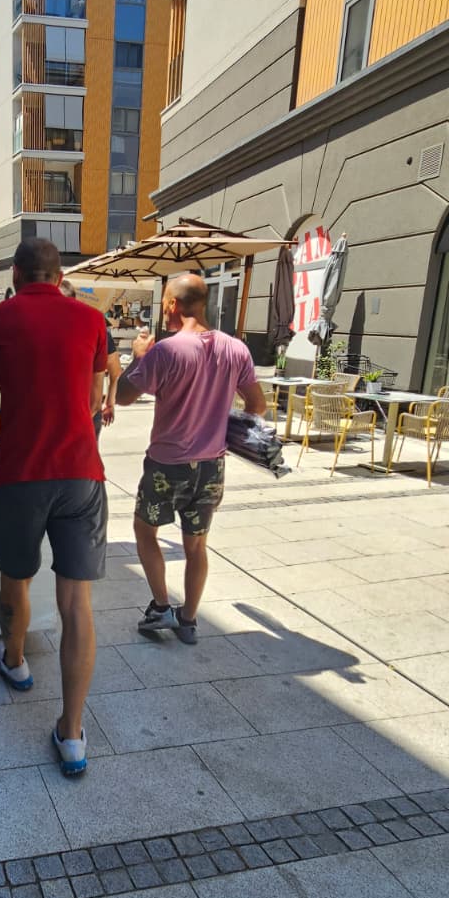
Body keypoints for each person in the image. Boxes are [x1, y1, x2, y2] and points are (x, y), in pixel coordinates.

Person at [0, 238, 108, 777]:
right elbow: (94, 400)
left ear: (14, 273)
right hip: (82, 474)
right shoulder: (91, 320)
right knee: (77, 603)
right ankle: (72, 735)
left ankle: (15, 662)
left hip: (20, 475)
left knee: (16, 578)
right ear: (59, 276)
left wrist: (8, 433)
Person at [116, 272, 265, 643]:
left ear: (171, 304)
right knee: (196, 545)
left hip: (166, 464)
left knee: (145, 531)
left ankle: (161, 607)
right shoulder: (236, 349)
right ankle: (189, 620)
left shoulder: (165, 351)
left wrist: (138, 358)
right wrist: (221, 425)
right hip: (211, 466)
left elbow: (122, 396)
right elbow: (257, 405)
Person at [60, 282, 122, 439]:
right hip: (86, 414)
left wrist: (109, 402)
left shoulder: (96, 329)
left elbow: (115, 372)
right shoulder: (96, 327)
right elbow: (115, 371)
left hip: (74, 416)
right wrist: (109, 402)